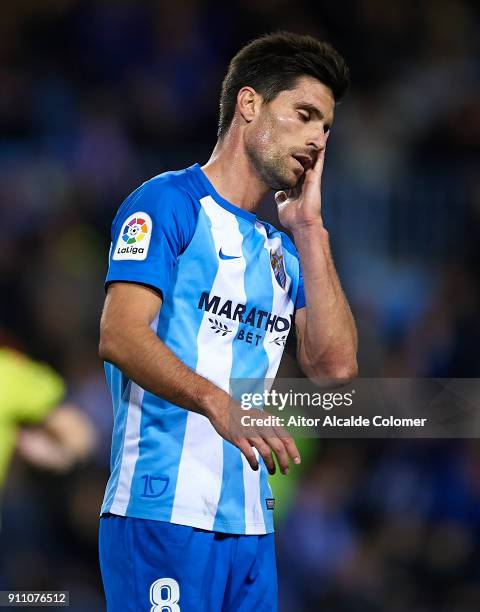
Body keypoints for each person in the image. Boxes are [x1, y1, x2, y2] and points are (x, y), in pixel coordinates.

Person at [98, 31, 357, 612]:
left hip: (251, 525)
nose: (318, 139)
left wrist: (310, 231)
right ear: (249, 105)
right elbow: (119, 334)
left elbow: (335, 370)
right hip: (160, 513)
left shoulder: (285, 250)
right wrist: (217, 402)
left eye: (327, 128)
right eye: (305, 115)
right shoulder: (166, 203)